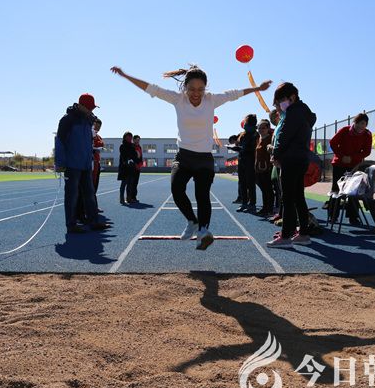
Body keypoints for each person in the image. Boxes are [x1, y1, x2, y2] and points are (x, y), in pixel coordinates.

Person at [111, 65, 272, 250]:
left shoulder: (211, 100)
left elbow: (234, 94)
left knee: (202, 195)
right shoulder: (178, 99)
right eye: (192, 89)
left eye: (200, 89)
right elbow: (151, 88)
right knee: (176, 189)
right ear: (185, 87)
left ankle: (203, 231)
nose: (196, 94)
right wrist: (125, 75)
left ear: (206, 88)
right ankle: (192, 221)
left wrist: (258, 88)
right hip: (184, 156)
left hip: (204, 159)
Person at [267, 82, 316, 248]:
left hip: (291, 159)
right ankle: (303, 233)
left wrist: (275, 154)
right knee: (298, 197)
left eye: (280, 101)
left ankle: (286, 236)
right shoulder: (304, 112)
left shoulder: (293, 113)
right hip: (301, 158)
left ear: (292, 97)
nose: (279, 105)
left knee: (288, 198)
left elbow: (284, 137)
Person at [55, 93, 110, 233]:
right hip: (72, 164)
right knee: (72, 195)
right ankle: (71, 225)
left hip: (85, 164)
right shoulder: (68, 120)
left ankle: (93, 221)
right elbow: (59, 141)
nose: (92, 110)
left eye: (93, 108)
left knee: (90, 194)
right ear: (81, 106)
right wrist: (60, 162)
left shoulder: (88, 120)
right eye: (89, 108)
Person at [328, 113, 372, 224]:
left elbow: (367, 151)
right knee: (336, 189)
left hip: (355, 166)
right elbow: (332, 143)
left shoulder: (367, 134)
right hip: (339, 164)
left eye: (364, 124)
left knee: (354, 191)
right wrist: (342, 156)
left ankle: (353, 217)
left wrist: (352, 158)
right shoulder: (344, 130)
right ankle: (332, 216)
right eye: (359, 123)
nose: (361, 126)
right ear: (354, 122)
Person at [236, 114, 258, 213]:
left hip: (250, 161)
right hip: (242, 160)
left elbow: (254, 148)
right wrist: (237, 148)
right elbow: (240, 145)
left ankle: (252, 204)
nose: (244, 124)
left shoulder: (255, 134)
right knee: (242, 183)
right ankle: (244, 203)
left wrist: (243, 149)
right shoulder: (243, 134)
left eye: (245, 121)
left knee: (250, 183)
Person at [255, 119, 274, 217]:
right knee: (263, 189)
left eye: (263, 128)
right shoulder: (259, 139)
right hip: (259, 168)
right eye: (259, 128)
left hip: (268, 168)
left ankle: (269, 209)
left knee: (268, 189)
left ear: (268, 128)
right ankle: (265, 207)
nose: (261, 129)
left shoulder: (270, 139)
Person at [117, 132, 138, 205]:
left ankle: (129, 198)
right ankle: (121, 199)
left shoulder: (132, 146)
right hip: (124, 167)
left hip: (131, 167)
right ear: (125, 137)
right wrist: (128, 160)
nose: (129, 138)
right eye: (128, 137)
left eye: (130, 137)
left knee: (130, 184)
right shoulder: (122, 146)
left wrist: (133, 160)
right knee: (124, 184)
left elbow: (134, 155)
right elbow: (124, 156)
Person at [227, 134, 242, 204]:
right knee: (241, 183)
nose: (234, 145)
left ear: (234, 140)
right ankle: (241, 198)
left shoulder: (241, 141)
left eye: (233, 143)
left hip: (246, 165)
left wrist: (232, 148)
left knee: (245, 183)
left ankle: (244, 199)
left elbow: (241, 149)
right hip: (242, 164)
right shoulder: (239, 142)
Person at [129, 134, 143, 203]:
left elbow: (140, 156)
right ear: (133, 140)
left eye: (139, 140)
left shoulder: (139, 147)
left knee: (135, 183)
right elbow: (132, 157)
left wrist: (140, 164)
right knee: (131, 183)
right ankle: (130, 197)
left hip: (138, 167)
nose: (138, 141)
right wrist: (135, 164)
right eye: (136, 140)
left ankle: (134, 197)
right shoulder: (131, 146)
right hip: (133, 167)